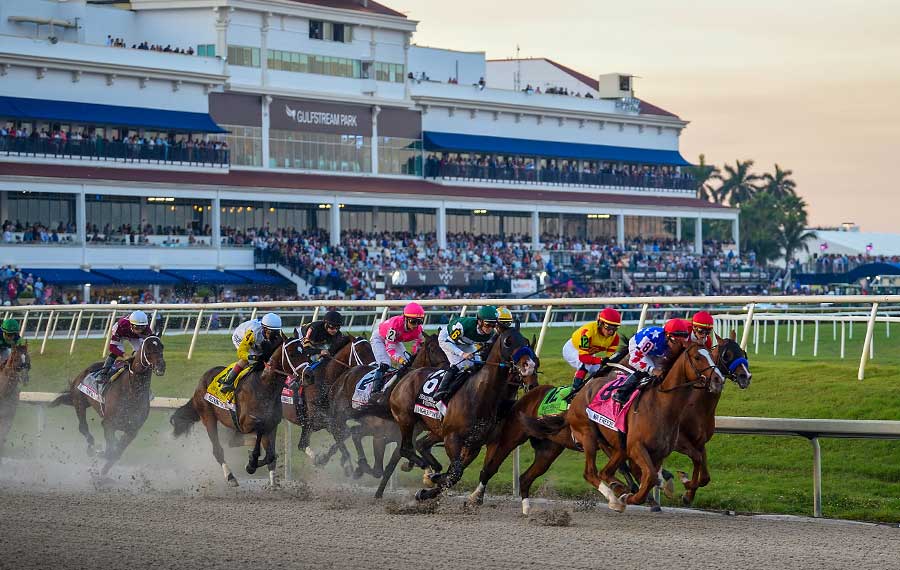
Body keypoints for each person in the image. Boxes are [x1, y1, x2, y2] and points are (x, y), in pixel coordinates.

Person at [613, 318, 692, 404]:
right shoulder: (652, 338)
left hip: (657, 352)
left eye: (682, 341)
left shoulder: (681, 338)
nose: (678, 345)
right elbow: (634, 360)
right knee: (647, 371)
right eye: (675, 341)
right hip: (638, 346)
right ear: (667, 335)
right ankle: (621, 392)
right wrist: (653, 370)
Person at [432, 305, 498, 404]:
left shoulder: (491, 333)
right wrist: (462, 354)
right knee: (459, 365)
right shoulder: (463, 326)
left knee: (479, 363)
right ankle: (441, 390)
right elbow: (449, 342)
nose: (490, 328)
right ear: (479, 321)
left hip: (465, 342)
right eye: (488, 325)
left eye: (493, 325)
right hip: (447, 339)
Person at [562, 308, 622, 403]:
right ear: (600, 323)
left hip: (588, 353)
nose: (611, 332)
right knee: (586, 365)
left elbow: (610, 359)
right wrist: (601, 360)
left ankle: (593, 390)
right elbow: (583, 358)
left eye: (615, 328)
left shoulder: (615, 338)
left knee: (601, 371)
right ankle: (574, 392)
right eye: (608, 327)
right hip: (572, 350)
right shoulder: (587, 333)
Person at [220, 312, 283, 393]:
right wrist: (251, 357)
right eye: (272, 332)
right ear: (264, 329)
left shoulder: (272, 330)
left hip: (257, 340)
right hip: (240, 336)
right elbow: (241, 352)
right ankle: (228, 381)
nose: (274, 335)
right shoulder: (253, 333)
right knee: (249, 360)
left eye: (276, 332)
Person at [370, 302, 425, 393]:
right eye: (413, 322)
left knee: (408, 364)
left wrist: (414, 354)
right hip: (379, 338)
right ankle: (375, 391)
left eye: (419, 322)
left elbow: (418, 345)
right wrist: (400, 360)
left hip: (395, 340)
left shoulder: (418, 330)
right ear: (405, 318)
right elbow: (390, 349)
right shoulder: (394, 325)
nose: (416, 325)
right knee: (385, 364)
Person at [97, 310, 154, 386]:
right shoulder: (120, 326)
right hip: (122, 333)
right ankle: (103, 373)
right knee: (115, 352)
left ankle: (143, 379)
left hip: (135, 337)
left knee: (140, 353)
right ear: (131, 324)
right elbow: (112, 347)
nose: (140, 330)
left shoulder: (147, 330)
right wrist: (124, 355)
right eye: (137, 327)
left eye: (142, 327)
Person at [299, 310, 347, 380]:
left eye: (337, 328)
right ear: (326, 324)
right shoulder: (314, 329)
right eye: (332, 327)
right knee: (308, 357)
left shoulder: (338, 334)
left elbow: (333, 351)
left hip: (319, 340)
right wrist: (320, 351)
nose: (335, 331)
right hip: (302, 335)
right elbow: (306, 349)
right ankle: (297, 379)